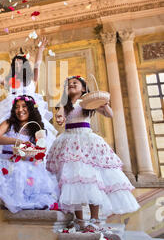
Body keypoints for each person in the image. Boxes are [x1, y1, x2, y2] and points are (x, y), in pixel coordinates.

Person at [46, 75, 140, 231]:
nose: (71, 85)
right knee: (72, 179)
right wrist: (60, 117)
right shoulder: (65, 104)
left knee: (91, 178)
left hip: (86, 140)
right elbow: (60, 118)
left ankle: (95, 219)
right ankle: (79, 220)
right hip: (69, 142)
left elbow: (109, 114)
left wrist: (105, 105)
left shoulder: (88, 102)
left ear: (83, 88)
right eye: (69, 84)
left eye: (75, 83)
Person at [0, 95, 59, 213]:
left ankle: (25, 201)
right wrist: (16, 141)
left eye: (24, 106)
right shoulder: (9, 123)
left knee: (23, 169)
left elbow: (41, 148)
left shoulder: (36, 128)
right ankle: (11, 200)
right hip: (7, 160)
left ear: (31, 108)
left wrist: (32, 150)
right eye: (17, 107)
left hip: (26, 162)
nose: (20, 110)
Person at [0, 37, 57, 150]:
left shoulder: (32, 80)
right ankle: (13, 148)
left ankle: (35, 150)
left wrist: (40, 49)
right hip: (14, 111)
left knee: (38, 133)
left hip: (31, 111)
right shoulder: (10, 82)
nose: (18, 65)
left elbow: (37, 64)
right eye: (15, 64)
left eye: (20, 63)